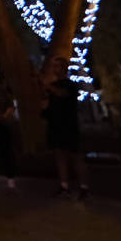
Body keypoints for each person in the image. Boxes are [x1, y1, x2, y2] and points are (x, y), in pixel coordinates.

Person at [41, 55, 89, 198]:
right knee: (59, 155)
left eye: (58, 66)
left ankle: (84, 186)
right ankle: (64, 185)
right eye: (54, 66)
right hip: (56, 124)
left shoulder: (70, 85)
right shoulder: (53, 87)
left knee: (75, 156)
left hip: (69, 125)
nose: (55, 69)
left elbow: (63, 95)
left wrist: (46, 85)